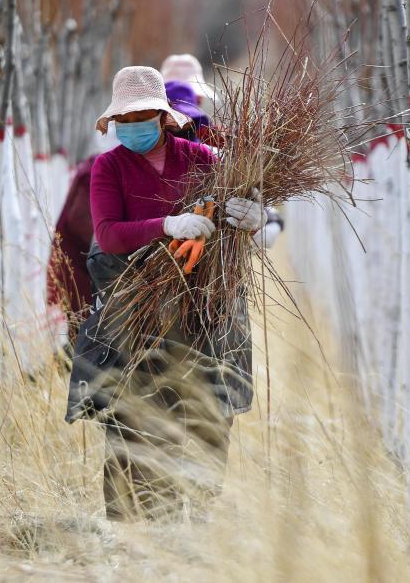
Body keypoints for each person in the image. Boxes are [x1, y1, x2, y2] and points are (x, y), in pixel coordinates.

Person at [65, 66, 268, 521]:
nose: (133, 126)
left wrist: (252, 220)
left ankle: (193, 528)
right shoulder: (109, 167)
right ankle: (134, 535)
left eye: (142, 117)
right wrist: (167, 225)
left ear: (163, 116)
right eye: (124, 119)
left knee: (203, 419)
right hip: (136, 319)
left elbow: (241, 215)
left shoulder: (205, 160)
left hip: (203, 314)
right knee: (134, 425)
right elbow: (108, 235)